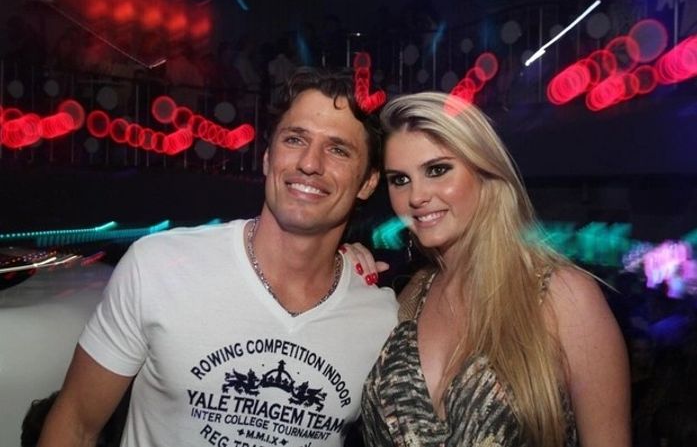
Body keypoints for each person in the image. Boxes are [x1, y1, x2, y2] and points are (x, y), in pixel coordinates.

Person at [37, 67, 398, 447]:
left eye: (338, 149)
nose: (310, 163)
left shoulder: (381, 321)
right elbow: (75, 424)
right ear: (267, 157)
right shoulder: (158, 266)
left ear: (368, 182)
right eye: (295, 139)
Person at [356, 92, 630, 447]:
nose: (417, 196)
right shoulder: (411, 297)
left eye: (437, 170)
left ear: (484, 171)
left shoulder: (564, 297)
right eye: (400, 179)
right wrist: (341, 271)